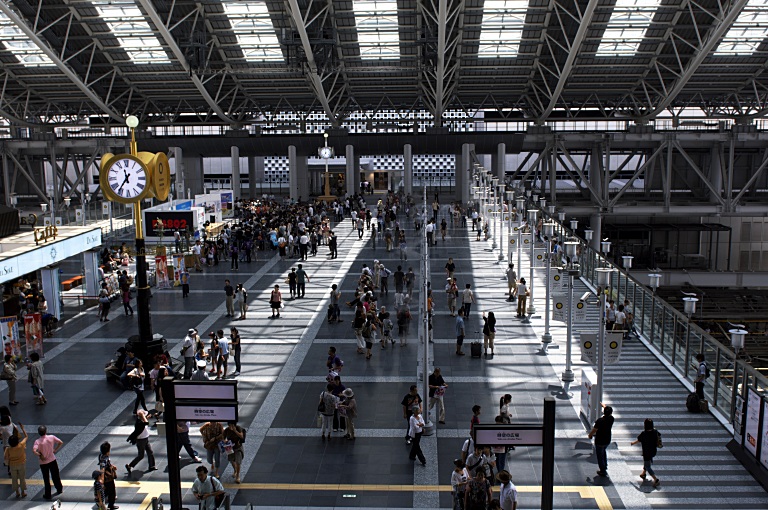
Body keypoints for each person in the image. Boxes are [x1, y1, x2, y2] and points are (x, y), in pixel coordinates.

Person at [33, 425, 64, 499]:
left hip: (43, 463)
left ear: (39, 433)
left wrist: (40, 455)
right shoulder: (51, 437)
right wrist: (55, 449)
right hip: (52, 459)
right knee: (55, 475)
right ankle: (59, 489)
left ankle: (48, 494)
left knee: (46, 478)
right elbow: (60, 442)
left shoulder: (37, 441)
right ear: (46, 431)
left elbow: (34, 451)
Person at [631, 418, 661, 487]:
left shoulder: (644, 433)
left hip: (646, 452)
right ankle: (643, 474)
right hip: (653, 451)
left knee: (648, 466)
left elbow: (639, 440)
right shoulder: (655, 431)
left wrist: (633, 443)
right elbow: (659, 435)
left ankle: (656, 479)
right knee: (647, 463)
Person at [125, 410, 157, 475]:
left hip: (145, 438)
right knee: (141, 455)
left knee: (150, 452)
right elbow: (146, 423)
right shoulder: (139, 422)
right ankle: (130, 465)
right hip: (141, 440)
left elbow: (144, 422)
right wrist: (143, 416)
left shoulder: (140, 420)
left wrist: (146, 417)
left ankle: (152, 466)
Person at [588, 405, 614, 477]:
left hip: (600, 440)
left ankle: (602, 470)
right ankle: (605, 465)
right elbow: (609, 413)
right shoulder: (611, 419)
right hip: (607, 439)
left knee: (600, 455)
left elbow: (594, 429)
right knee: (603, 451)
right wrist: (604, 406)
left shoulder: (600, 421)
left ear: (603, 412)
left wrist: (590, 435)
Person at [5, 422, 27, 499]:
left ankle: (17, 492)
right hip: (21, 463)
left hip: (12, 465)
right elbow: (26, 437)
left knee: (14, 479)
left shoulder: (8, 449)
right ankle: (23, 492)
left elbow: (6, 457)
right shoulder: (21, 445)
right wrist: (22, 428)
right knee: (22, 478)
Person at [98, 441, 118, 510]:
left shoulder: (101, 455)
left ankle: (102, 499)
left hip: (105, 477)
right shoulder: (105, 459)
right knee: (111, 490)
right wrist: (102, 480)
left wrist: (112, 466)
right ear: (107, 451)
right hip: (108, 478)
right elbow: (103, 470)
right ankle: (111, 504)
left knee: (106, 490)